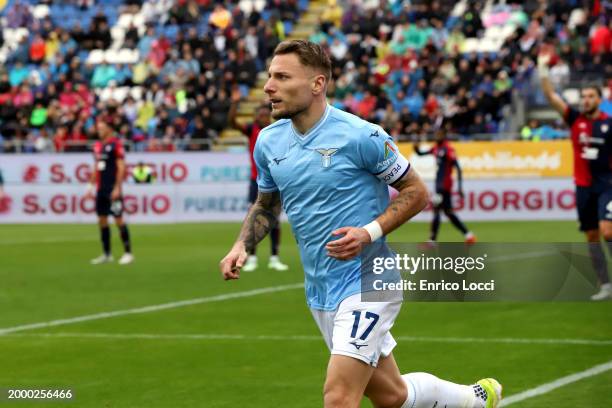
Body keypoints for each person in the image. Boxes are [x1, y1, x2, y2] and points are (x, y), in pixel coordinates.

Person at [219, 40, 502, 408]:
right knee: (392, 396)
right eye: (270, 76)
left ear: (317, 84)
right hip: (321, 288)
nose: (269, 86)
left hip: (370, 281)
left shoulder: (361, 136)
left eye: (282, 77)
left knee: (339, 397)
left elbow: (416, 193)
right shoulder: (268, 142)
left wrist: (368, 233)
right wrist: (242, 245)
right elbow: (267, 203)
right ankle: (472, 400)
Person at [539, 50, 612, 301]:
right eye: (583, 96)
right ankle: (605, 284)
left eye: (591, 96)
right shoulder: (575, 120)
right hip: (583, 187)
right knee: (592, 236)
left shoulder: (609, 124)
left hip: (607, 186)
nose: (586, 100)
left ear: (600, 100)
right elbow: (550, 96)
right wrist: (542, 70)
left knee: (608, 231)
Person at [228, 94, 288, 272]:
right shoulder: (251, 129)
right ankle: (252, 256)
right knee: (253, 218)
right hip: (256, 181)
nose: (262, 116)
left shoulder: (275, 130)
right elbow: (232, 122)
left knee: (275, 220)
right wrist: (235, 102)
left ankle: (274, 257)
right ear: (256, 117)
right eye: (260, 114)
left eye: (265, 113)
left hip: (275, 181)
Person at [413, 126, 476, 245]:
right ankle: (469, 236)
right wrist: (416, 147)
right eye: (436, 134)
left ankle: (432, 241)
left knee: (436, 211)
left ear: (444, 135)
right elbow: (420, 153)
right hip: (439, 185)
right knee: (449, 212)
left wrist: (460, 187)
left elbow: (458, 168)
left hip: (444, 186)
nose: (436, 136)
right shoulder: (436, 148)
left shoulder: (448, 149)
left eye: (439, 134)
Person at [87, 120, 134, 265]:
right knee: (102, 220)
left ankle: (128, 253)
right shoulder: (97, 146)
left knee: (118, 219)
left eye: (102, 128)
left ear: (109, 129)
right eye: (98, 128)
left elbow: (121, 167)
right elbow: (96, 167)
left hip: (112, 188)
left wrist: (117, 187)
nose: (99, 130)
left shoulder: (116, 144)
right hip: (101, 189)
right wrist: (90, 186)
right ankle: (107, 254)